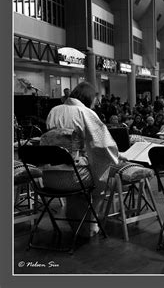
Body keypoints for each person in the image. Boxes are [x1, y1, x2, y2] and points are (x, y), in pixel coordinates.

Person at [44, 82, 121, 237]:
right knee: (105, 171)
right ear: (89, 98)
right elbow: (104, 145)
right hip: (74, 178)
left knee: (89, 163)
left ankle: (77, 221)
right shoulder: (85, 112)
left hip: (49, 176)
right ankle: (91, 223)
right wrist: (117, 156)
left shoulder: (54, 110)